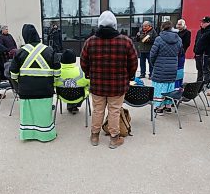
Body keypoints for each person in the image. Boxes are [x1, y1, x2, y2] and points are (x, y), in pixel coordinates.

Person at [80, 10, 138, 149]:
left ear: (99, 24)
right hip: (117, 86)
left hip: (97, 85)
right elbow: (133, 63)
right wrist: (129, 77)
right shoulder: (126, 41)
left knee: (97, 110)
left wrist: (89, 74)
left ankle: (94, 136)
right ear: (115, 25)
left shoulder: (90, 42)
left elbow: (83, 62)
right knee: (114, 111)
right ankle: (114, 139)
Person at [10, 24, 60, 142]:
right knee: (43, 114)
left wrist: (21, 83)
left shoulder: (19, 52)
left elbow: (13, 74)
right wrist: (53, 82)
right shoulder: (49, 50)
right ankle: (46, 135)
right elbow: (57, 72)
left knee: (28, 115)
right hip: (45, 90)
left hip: (26, 90)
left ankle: (28, 134)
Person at [150, 21, 183, 116]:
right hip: (173, 67)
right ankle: (168, 106)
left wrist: (154, 64)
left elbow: (152, 54)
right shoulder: (178, 39)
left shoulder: (159, 39)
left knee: (159, 87)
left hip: (160, 67)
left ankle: (159, 107)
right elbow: (181, 53)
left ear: (162, 28)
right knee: (170, 86)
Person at [55, 49, 90, 114]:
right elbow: (89, 83)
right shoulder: (81, 71)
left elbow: (53, 83)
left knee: (68, 88)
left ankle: (71, 105)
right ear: (74, 59)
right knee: (85, 89)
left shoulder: (57, 72)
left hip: (63, 96)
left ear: (62, 59)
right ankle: (74, 105)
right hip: (79, 96)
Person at [193, 16, 210, 84]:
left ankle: (206, 83)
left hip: (205, 54)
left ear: (208, 22)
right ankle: (199, 82)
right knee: (199, 69)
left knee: (205, 69)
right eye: (201, 22)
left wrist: (209, 52)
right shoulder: (200, 31)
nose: (202, 23)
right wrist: (195, 50)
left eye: (203, 22)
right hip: (198, 53)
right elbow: (196, 41)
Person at [174, 19, 191, 88]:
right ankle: (176, 83)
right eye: (178, 24)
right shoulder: (177, 32)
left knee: (180, 69)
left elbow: (187, 43)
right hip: (175, 53)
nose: (179, 26)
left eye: (180, 24)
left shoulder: (187, 32)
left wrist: (181, 50)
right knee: (176, 69)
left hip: (181, 53)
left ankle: (179, 84)